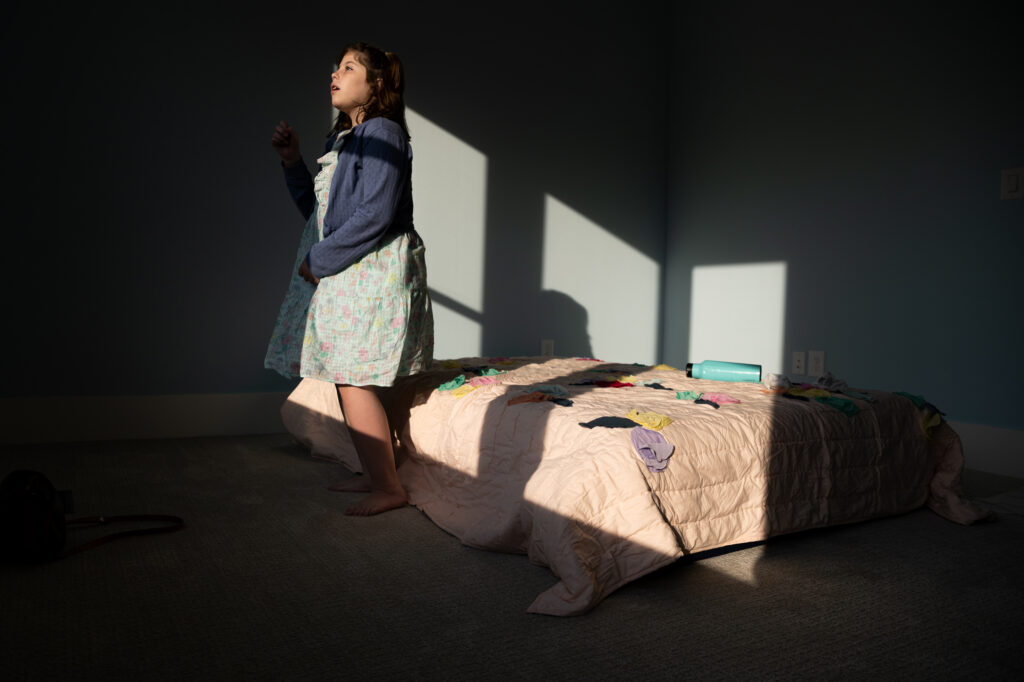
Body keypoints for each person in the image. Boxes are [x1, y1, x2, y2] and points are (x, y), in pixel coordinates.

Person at [265, 42, 433, 516]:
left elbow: (376, 213)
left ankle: (389, 487)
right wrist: (293, 161)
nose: (334, 75)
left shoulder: (383, 133)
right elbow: (319, 212)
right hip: (348, 266)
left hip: (370, 267)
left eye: (348, 67)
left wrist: (319, 259)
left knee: (352, 378)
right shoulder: (344, 139)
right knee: (348, 375)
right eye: (335, 68)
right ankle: (375, 472)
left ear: (376, 84)